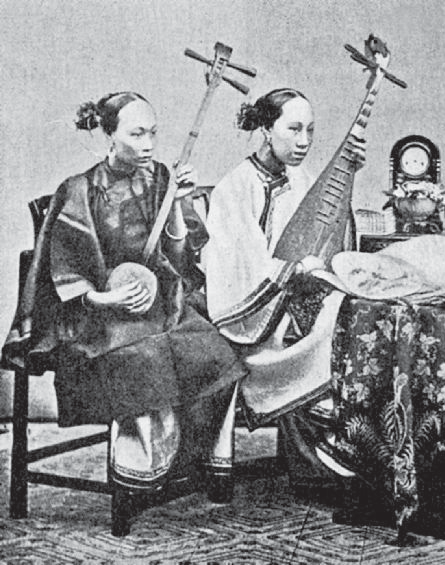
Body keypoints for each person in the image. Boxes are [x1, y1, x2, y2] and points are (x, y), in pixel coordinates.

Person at [2, 91, 247, 535]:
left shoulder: (159, 179)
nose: (148, 143)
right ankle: (138, 477)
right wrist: (105, 299)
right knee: (144, 361)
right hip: (97, 317)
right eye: (137, 133)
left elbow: (178, 259)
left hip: (155, 306)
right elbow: (64, 274)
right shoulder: (79, 191)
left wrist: (177, 203)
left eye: (153, 132)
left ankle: (186, 468)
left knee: (216, 351)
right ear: (108, 135)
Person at [202, 88, 364, 491]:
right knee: (319, 329)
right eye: (293, 129)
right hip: (254, 315)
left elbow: (327, 238)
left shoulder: (303, 180)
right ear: (265, 129)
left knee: (352, 316)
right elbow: (240, 267)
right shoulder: (235, 187)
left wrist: (348, 180)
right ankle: (317, 464)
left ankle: (344, 450)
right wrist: (293, 272)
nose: (304, 141)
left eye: (310, 130)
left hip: (294, 298)